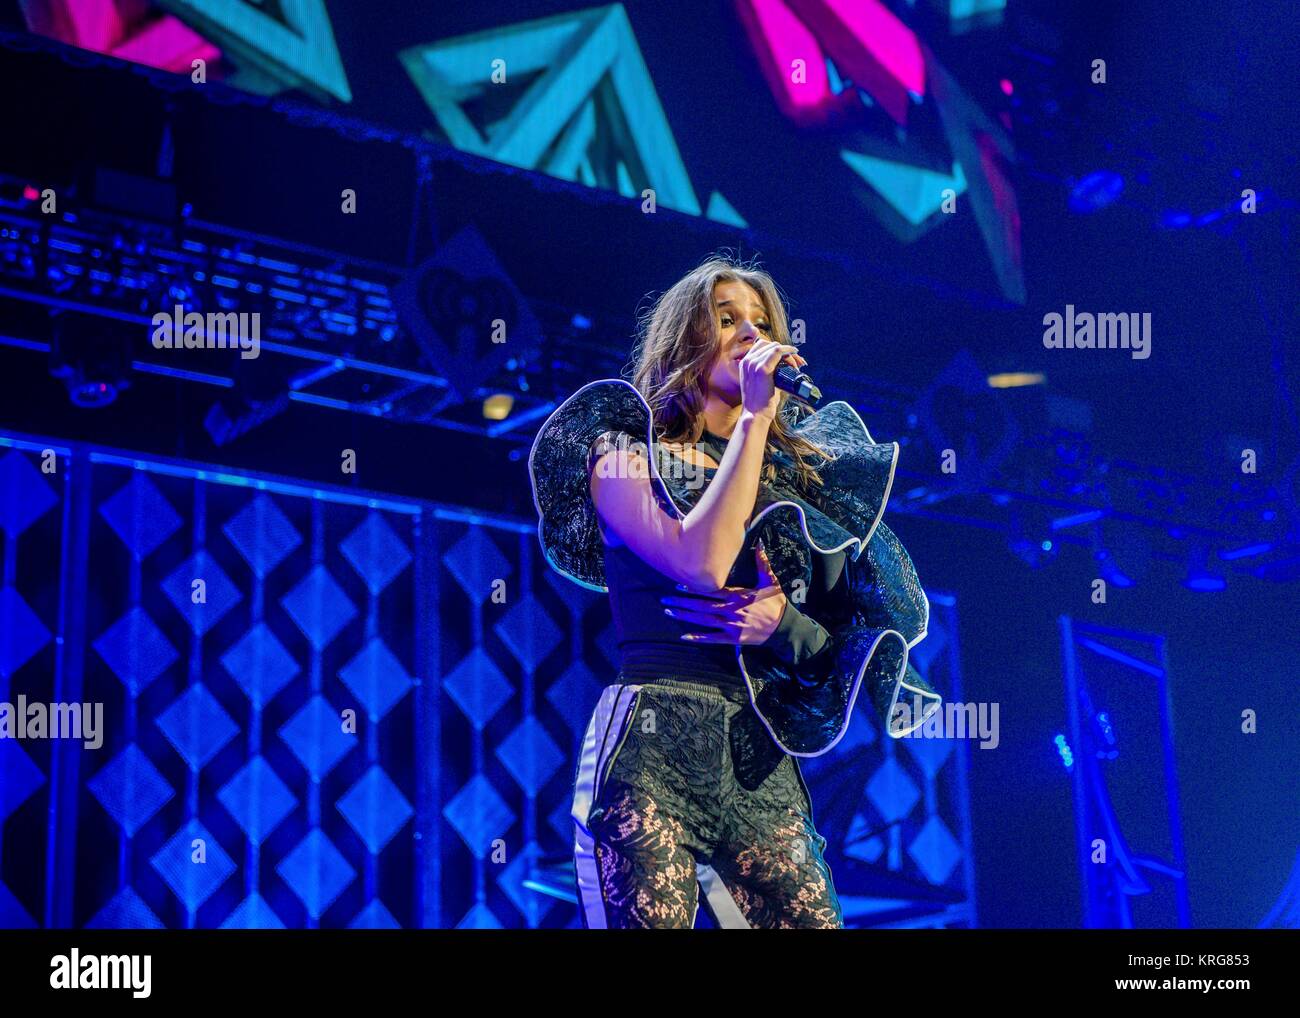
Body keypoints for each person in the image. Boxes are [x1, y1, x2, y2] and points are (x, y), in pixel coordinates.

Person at [529, 255, 940, 928]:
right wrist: (752, 420)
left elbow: (842, 645)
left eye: (762, 322)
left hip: (759, 762)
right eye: (728, 320)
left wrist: (782, 625)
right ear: (683, 341)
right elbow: (702, 561)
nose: (752, 334)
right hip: (651, 749)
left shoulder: (800, 494)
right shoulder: (624, 455)